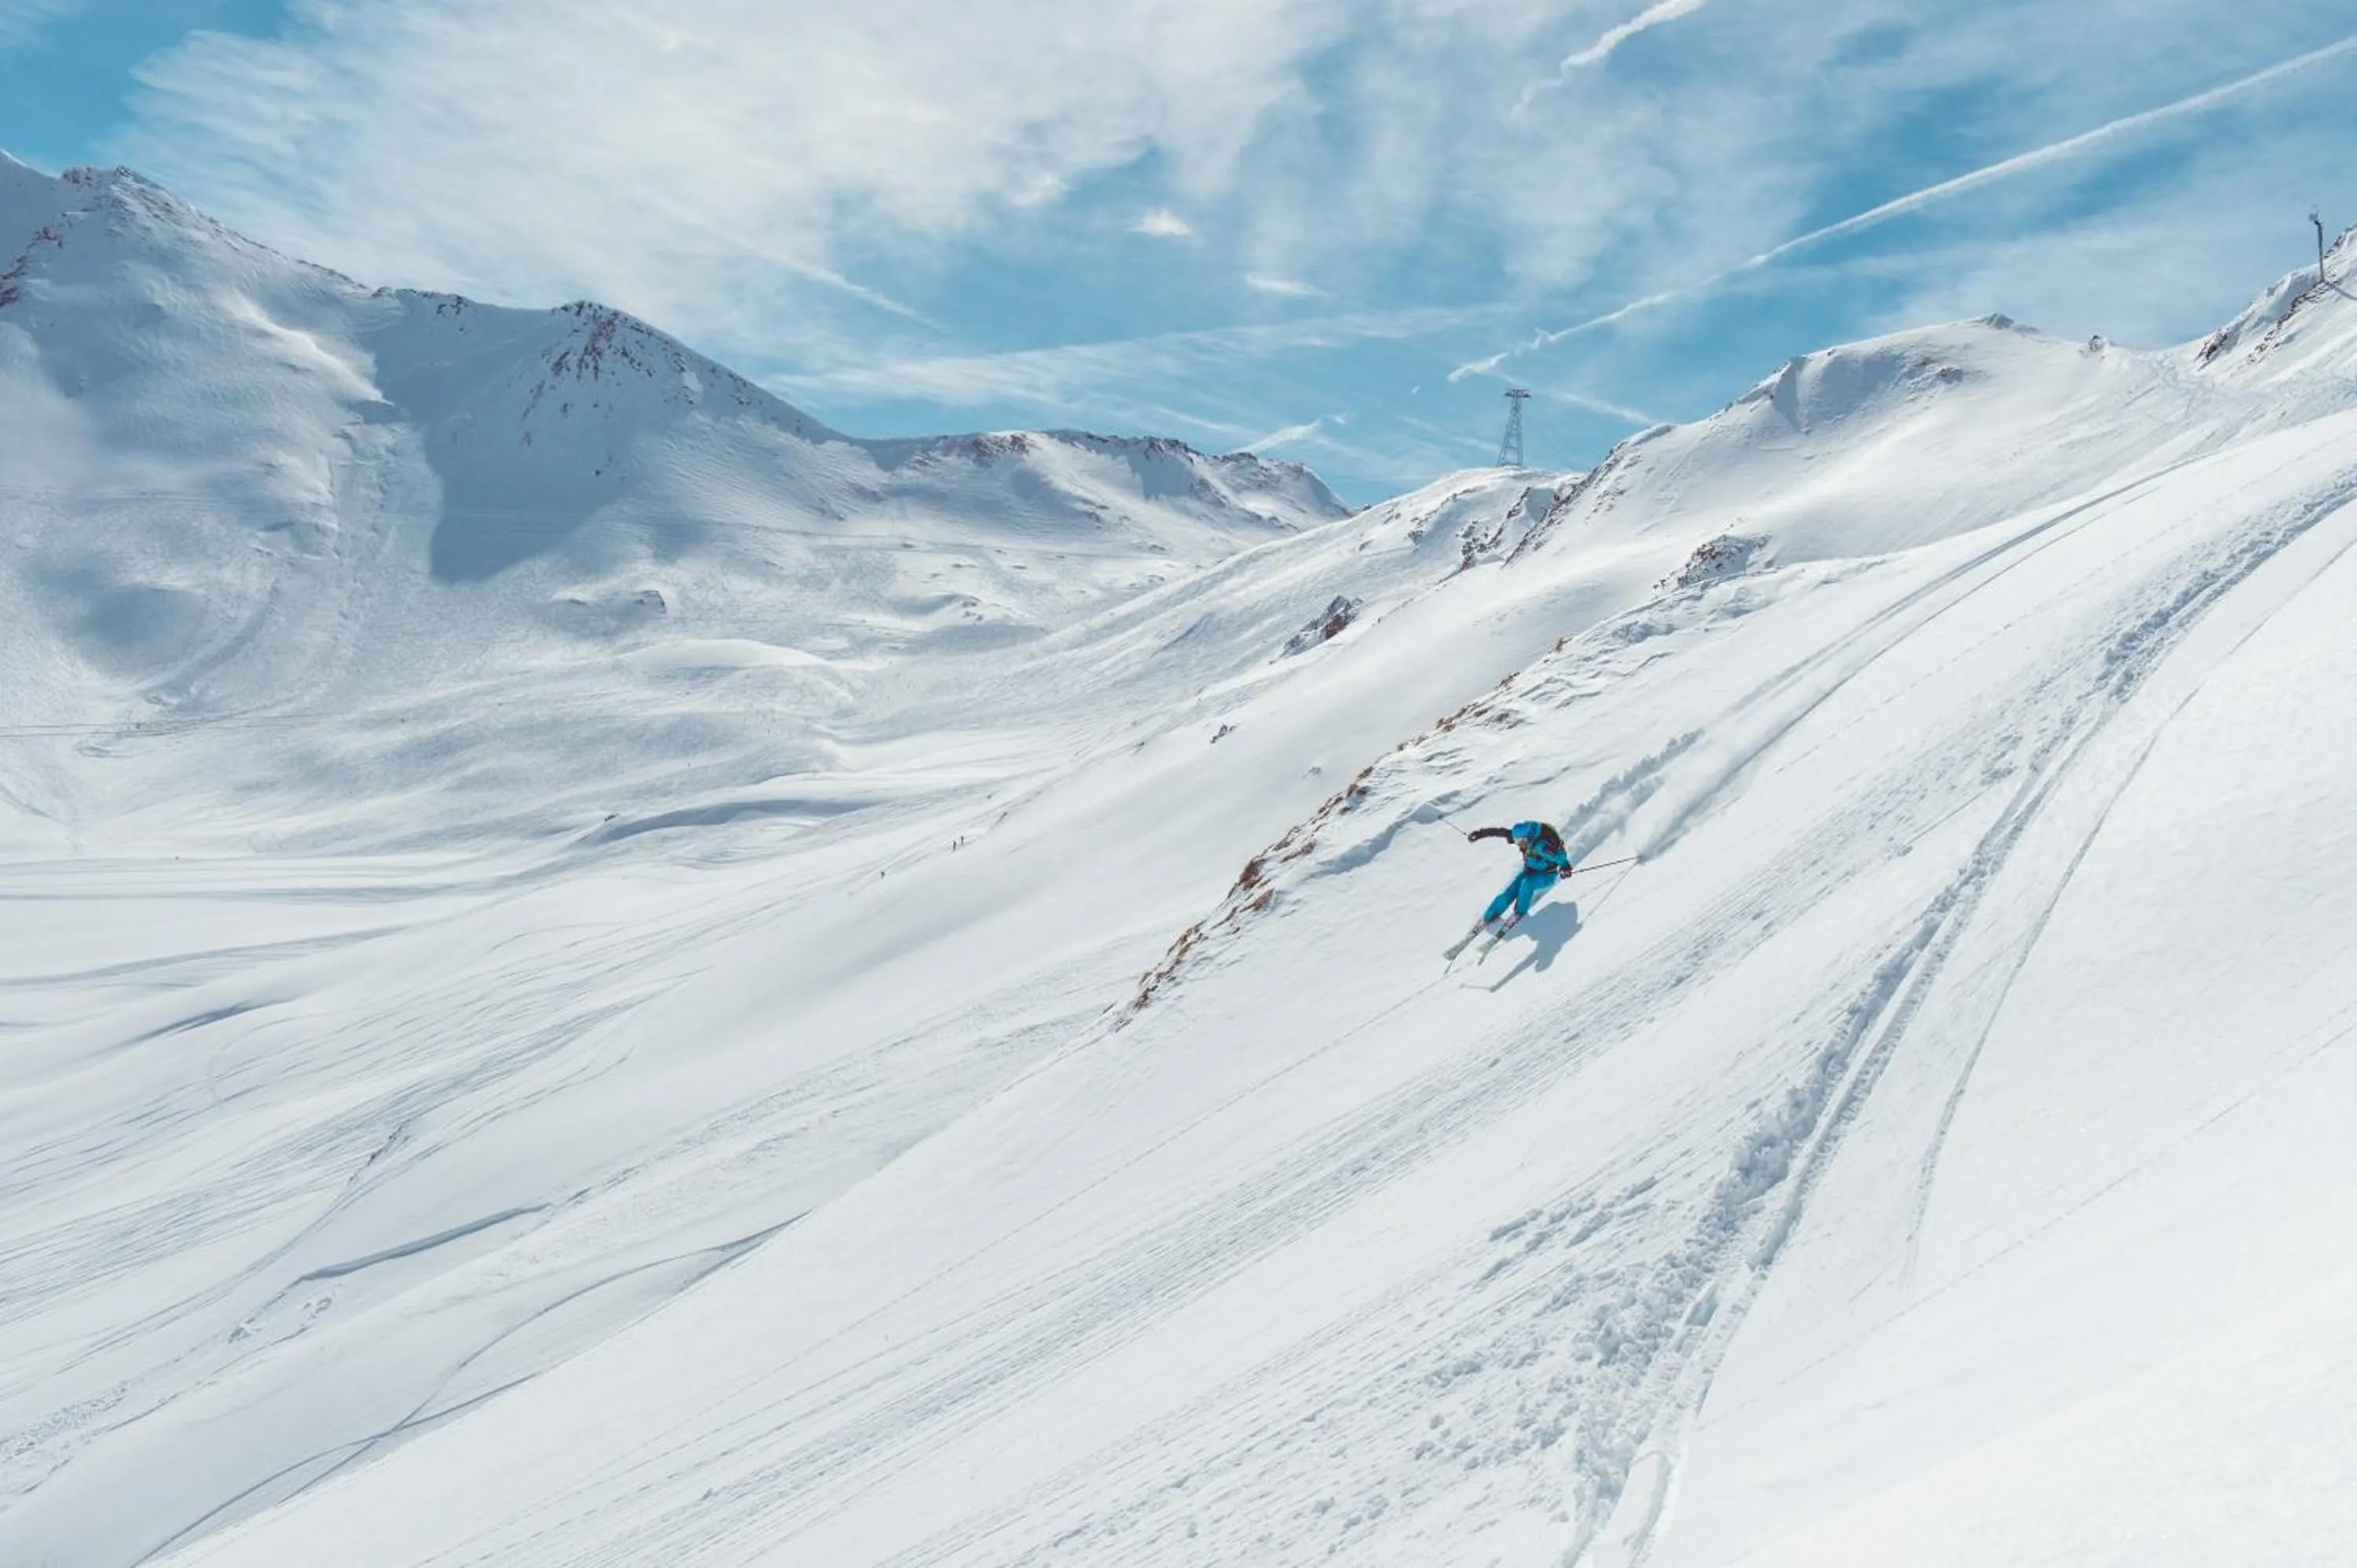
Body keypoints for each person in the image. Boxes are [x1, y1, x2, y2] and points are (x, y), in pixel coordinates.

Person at [1468, 819, 1571, 933]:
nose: (1518, 844)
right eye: (1516, 840)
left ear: (1528, 837)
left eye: (1520, 841)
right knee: (1508, 893)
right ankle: (1489, 915)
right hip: (1529, 870)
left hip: (1547, 875)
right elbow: (1500, 832)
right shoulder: (1523, 836)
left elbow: (1561, 857)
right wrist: (1479, 834)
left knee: (1527, 884)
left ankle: (1519, 913)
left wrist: (1565, 868)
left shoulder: (1541, 846)